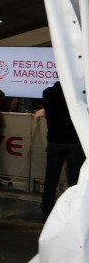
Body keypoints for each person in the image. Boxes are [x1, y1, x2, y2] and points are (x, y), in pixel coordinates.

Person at [40, 81, 83, 221]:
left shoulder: (48, 93)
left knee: (50, 182)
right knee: (74, 183)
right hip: (74, 142)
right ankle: (73, 217)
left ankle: (46, 216)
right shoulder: (76, 95)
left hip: (54, 141)